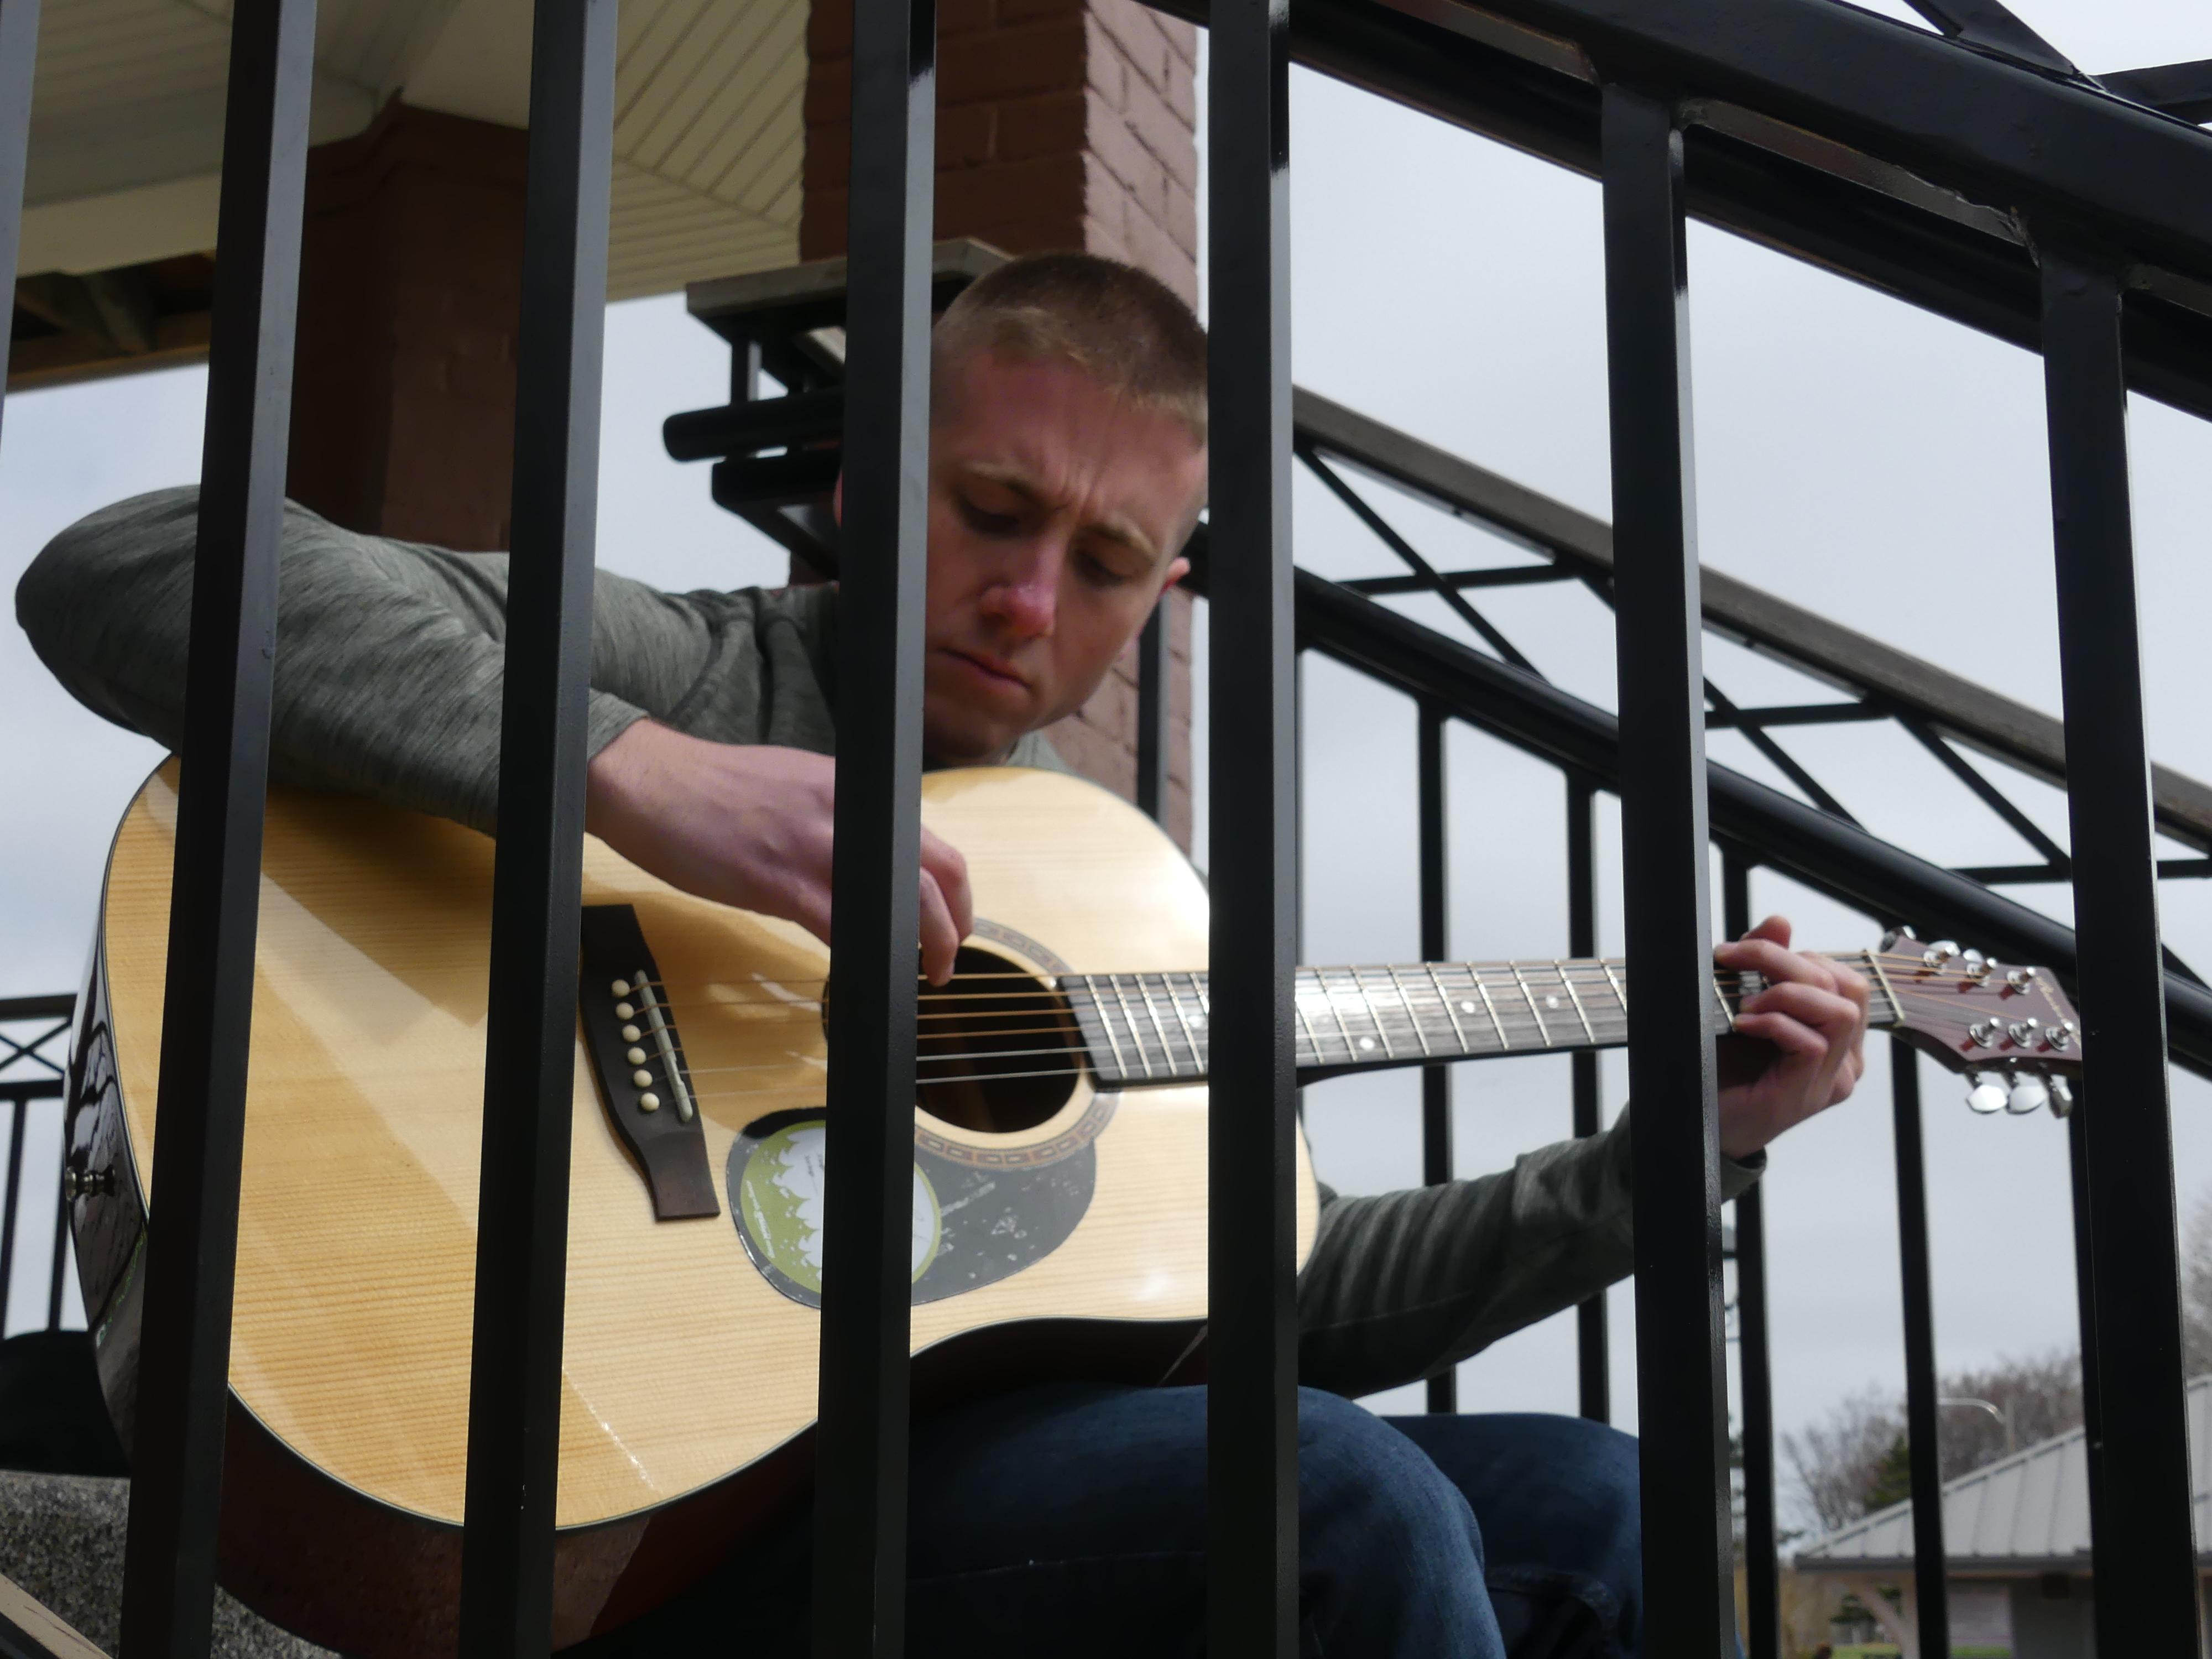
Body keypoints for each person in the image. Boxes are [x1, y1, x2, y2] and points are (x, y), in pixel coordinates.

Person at [16, 252, 1870, 1657]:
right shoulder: (694, 674)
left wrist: (1677, 1156)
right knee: (1333, 1499)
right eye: (994, 513)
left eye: (1110, 560)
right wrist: (629, 776)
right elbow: (130, 567)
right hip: (652, 1502)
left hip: (972, 1469)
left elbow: (1281, 1296)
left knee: (1607, 1505)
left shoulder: (1109, 882)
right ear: (858, 478)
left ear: (1165, 587)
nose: (1029, 600)